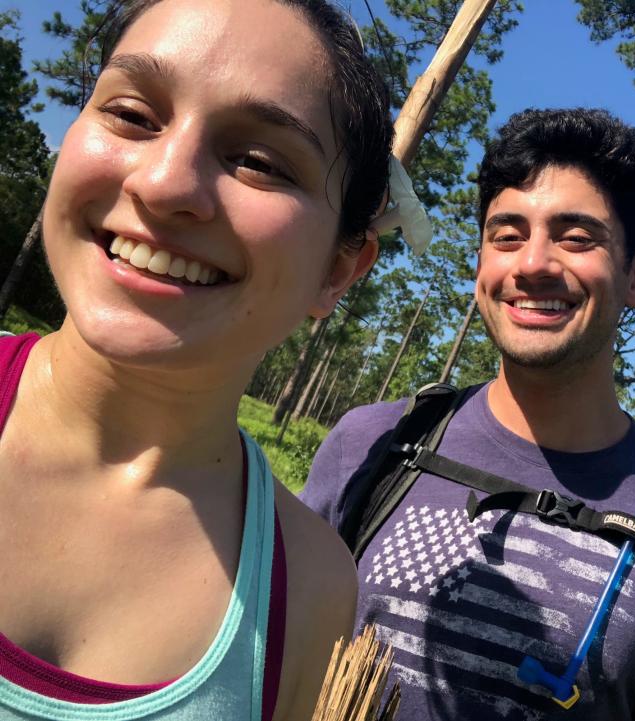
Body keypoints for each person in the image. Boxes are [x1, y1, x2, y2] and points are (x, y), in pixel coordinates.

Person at [301, 108, 635, 720]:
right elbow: (274, 659)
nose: (532, 264)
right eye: (507, 235)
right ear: (480, 269)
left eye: (576, 238)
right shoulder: (372, 443)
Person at [0, 1, 393, 719]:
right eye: (133, 115)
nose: (163, 183)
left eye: (259, 161)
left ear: (340, 269)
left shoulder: (313, 591)